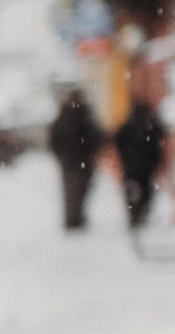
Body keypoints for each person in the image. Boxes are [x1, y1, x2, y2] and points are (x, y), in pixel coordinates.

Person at [112, 89, 168, 234]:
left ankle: (133, 212)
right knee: (146, 188)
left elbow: (117, 139)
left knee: (131, 187)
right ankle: (142, 211)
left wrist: (124, 155)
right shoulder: (151, 121)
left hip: (131, 163)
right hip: (148, 163)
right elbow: (162, 136)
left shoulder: (128, 122)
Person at [49, 86, 102, 234]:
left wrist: (61, 155)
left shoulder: (63, 115)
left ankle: (72, 219)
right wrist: (92, 151)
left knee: (71, 189)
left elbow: (54, 139)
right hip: (82, 159)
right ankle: (76, 218)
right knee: (81, 189)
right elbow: (95, 136)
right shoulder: (85, 114)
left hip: (70, 160)